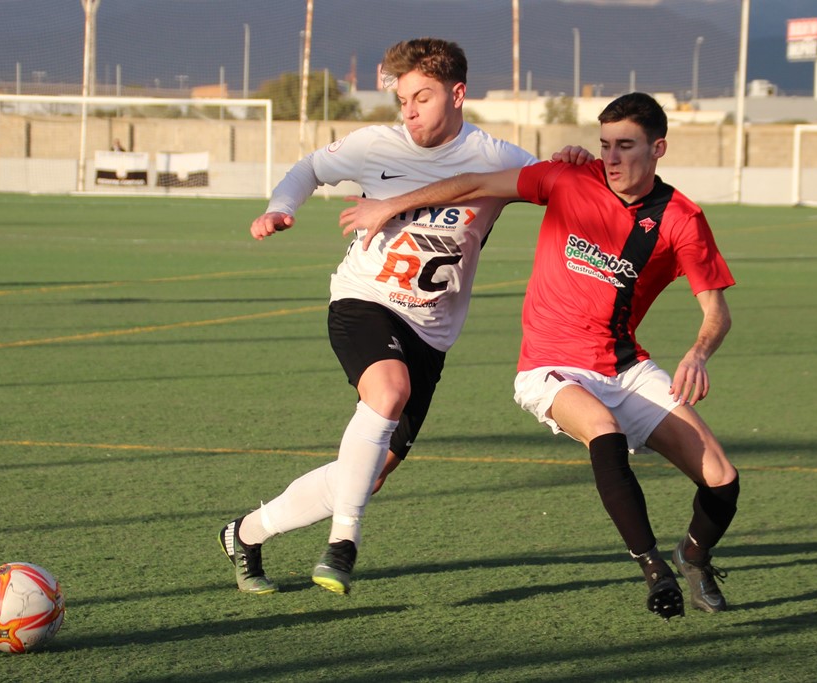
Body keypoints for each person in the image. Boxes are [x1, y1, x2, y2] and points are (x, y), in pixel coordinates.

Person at [339, 92, 739, 620]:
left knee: (721, 478)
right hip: (550, 365)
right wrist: (392, 204)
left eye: (625, 146)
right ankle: (653, 570)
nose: (611, 157)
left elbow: (716, 311)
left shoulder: (681, 218)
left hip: (624, 365)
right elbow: (475, 184)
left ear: (658, 148)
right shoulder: (568, 178)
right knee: (603, 431)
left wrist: (698, 353)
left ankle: (692, 555)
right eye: (605, 145)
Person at [218, 37, 590, 596]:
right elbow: (310, 167)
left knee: (367, 475)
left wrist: (572, 158)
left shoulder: (497, 157)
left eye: (423, 97)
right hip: (364, 300)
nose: (409, 111)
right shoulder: (375, 145)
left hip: (431, 333)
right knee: (388, 391)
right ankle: (344, 542)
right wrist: (280, 207)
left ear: (457, 94)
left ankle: (245, 532)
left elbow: (555, 181)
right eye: (402, 100)